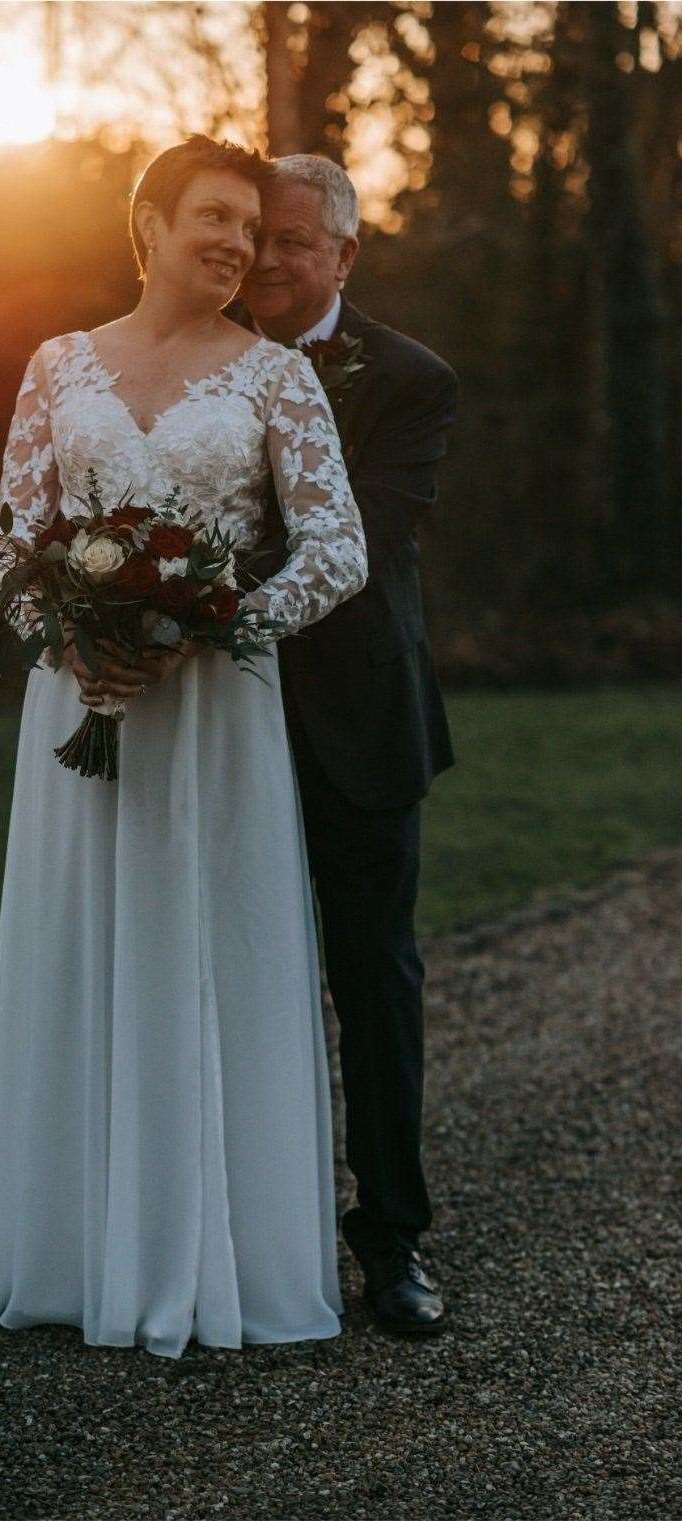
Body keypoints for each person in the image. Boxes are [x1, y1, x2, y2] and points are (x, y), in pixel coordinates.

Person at [0, 135, 368, 1359]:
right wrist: (66, 639)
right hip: (80, 704)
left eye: (252, 228)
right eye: (214, 218)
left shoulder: (276, 381)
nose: (238, 245)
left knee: (205, 952)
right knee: (82, 950)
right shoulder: (57, 365)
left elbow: (337, 551)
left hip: (210, 717)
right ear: (146, 224)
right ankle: (76, 1250)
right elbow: (6, 540)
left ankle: (199, 1253)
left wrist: (216, 624)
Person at [224, 154, 459, 1334]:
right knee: (213, 976)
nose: (266, 260)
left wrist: (187, 603)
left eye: (295, 242)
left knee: (372, 980)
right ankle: (226, 1229)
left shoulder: (408, 379)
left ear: (344, 256)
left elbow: (355, 548)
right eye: (253, 236)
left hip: (356, 721)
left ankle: (394, 1240)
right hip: (208, 726)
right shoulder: (191, 351)